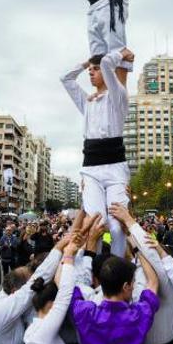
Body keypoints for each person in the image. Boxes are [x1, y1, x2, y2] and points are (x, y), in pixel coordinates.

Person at [60, 48, 135, 257]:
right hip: (91, 167)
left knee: (116, 223)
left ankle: (117, 268)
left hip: (115, 167)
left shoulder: (118, 97)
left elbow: (107, 64)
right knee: (96, 221)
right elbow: (65, 78)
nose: (91, 73)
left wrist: (120, 53)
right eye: (89, 70)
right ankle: (93, 269)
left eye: (95, 69)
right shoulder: (87, 102)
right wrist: (86, 62)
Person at [0, 233, 68, 344]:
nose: (34, 285)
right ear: (15, 290)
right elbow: (40, 276)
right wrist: (59, 248)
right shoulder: (6, 306)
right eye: (28, 283)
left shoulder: (6, 296)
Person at [109, 204, 173, 344]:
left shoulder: (169, 285)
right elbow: (129, 257)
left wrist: (130, 221)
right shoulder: (139, 267)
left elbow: (151, 257)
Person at [69, 248, 159, 344]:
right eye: (133, 282)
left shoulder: (84, 312)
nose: (133, 287)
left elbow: (65, 285)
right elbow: (153, 282)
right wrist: (138, 250)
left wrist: (67, 253)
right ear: (125, 286)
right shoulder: (139, 315)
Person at [22, 236, 79, 344]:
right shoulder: (42, 333)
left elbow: (58, 281)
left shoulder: (31, 329)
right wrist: (68, 256)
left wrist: (66, 255)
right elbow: (65, 293)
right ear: (50, 305)